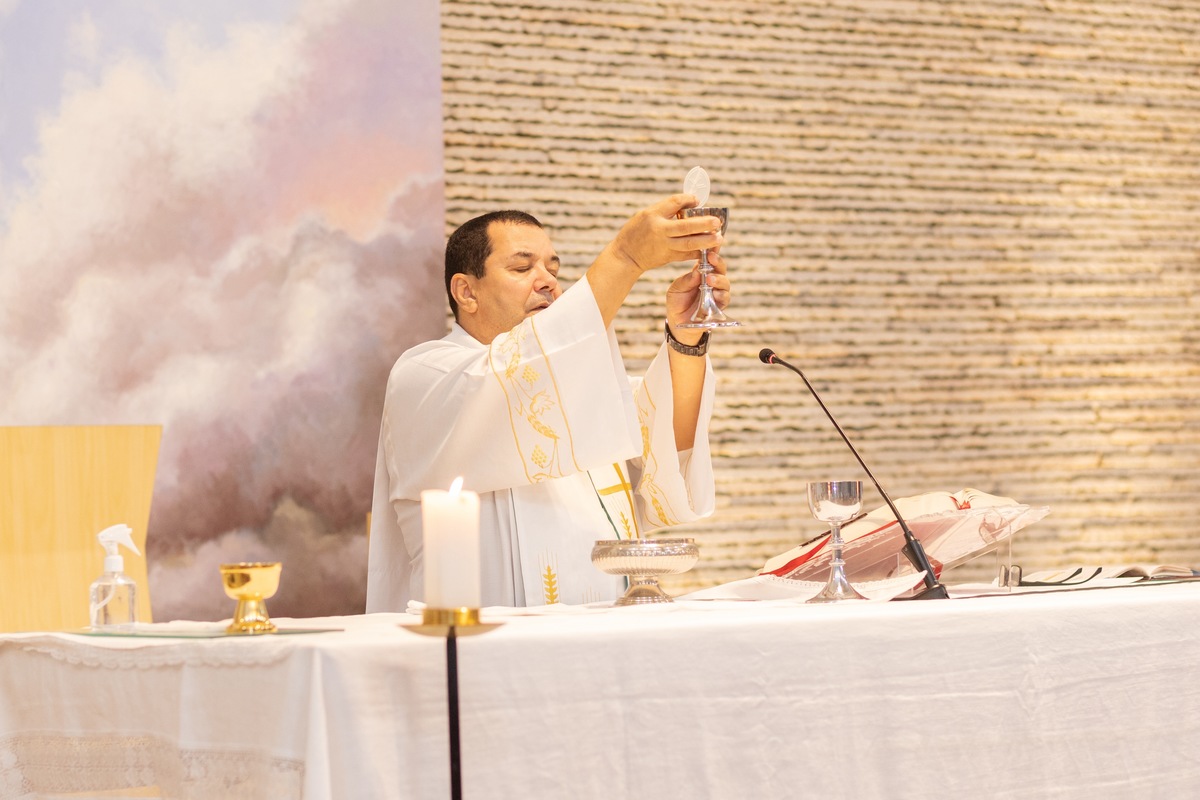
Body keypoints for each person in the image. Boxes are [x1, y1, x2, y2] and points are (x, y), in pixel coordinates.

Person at [365, 194, 732, 609]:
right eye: (522, 268)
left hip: (602, 636)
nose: (548, 282)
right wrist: (625, 257)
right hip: (480, 642)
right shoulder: (426, 376)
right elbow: (511, 377)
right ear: (466, 292)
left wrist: (685, 339)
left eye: (553, 270)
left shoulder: (578, 389)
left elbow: (665, 453)